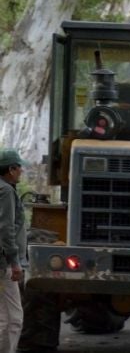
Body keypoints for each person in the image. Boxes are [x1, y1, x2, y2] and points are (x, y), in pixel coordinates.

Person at [0, 148, 28, 353]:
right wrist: (15, 263)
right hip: (4, 264)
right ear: (11, 169)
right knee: (13, 319)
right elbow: (6, 229)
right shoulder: (6, 191)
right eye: (19, 168)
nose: (21, 172)